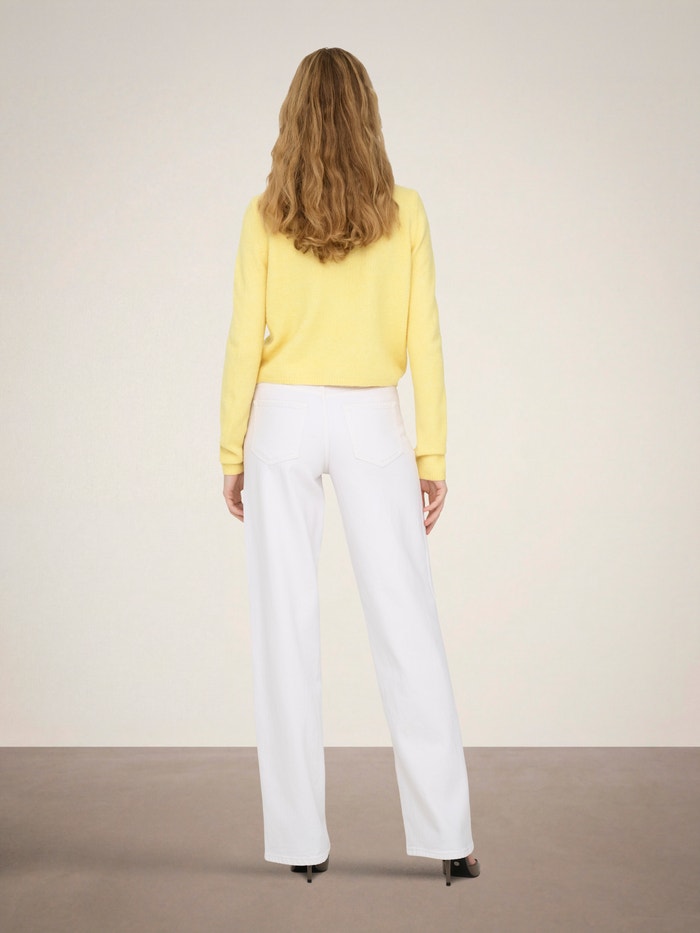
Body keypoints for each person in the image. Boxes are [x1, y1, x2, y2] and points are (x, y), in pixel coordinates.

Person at [219, 47, 480, 886]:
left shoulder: (265, 214)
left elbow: (243, 337)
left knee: (284, 629)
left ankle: (301, 842)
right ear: (368, 115)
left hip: (282, 419)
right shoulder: (405, 211)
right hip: (372, 417)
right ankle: (449, 838)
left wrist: (231, 450)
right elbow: (425, 337)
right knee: (408, 623)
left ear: (293, 118)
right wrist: (431, 452)